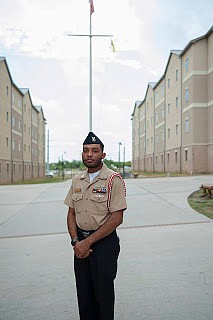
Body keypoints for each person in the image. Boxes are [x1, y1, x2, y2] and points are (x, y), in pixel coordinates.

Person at [64, 132, 127, 320]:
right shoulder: (77, 180)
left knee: (103, 296)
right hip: (80, 244)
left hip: (104, 245)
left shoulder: (112, 179)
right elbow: (71, 212)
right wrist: (76, 241)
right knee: (84, 295)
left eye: (94, 150)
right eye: (85, 151)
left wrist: (87, 242)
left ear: (103, 155)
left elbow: (117, 217)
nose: (89, 154)